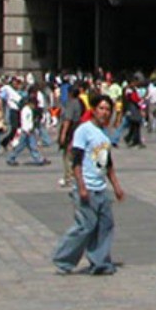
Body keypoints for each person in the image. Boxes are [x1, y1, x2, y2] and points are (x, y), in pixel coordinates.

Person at [52, 94, 126, 276]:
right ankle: (63, 259)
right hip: (87, 187)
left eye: (108, 110)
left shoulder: (104, 135)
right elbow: (76, 160)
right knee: (85, 225)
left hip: (101, 188)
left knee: (105, 225)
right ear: (94, 109)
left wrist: (116, 186)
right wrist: (81, 186)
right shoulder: (83, 130)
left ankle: (100, 262)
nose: (104, 113)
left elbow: (107, 163)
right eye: (101, 108)